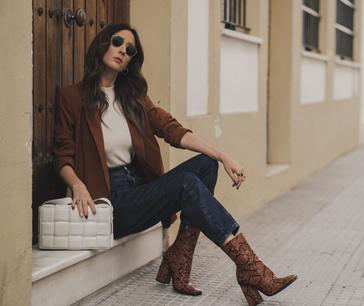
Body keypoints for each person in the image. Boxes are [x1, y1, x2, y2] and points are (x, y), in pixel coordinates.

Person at [53, 23, 296, 306]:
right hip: (111, 201)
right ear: (103, 43)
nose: (122, 51)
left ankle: (182, 255)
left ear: (131, 61)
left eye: (130, 49)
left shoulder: (133, 98)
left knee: (206, 165)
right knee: (186, 184)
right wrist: (78, 185)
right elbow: (62, 156)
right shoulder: (71, 97)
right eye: (117, 42)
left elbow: (172, 129)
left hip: (140, 189)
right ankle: (250, 267)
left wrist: (222, 155)